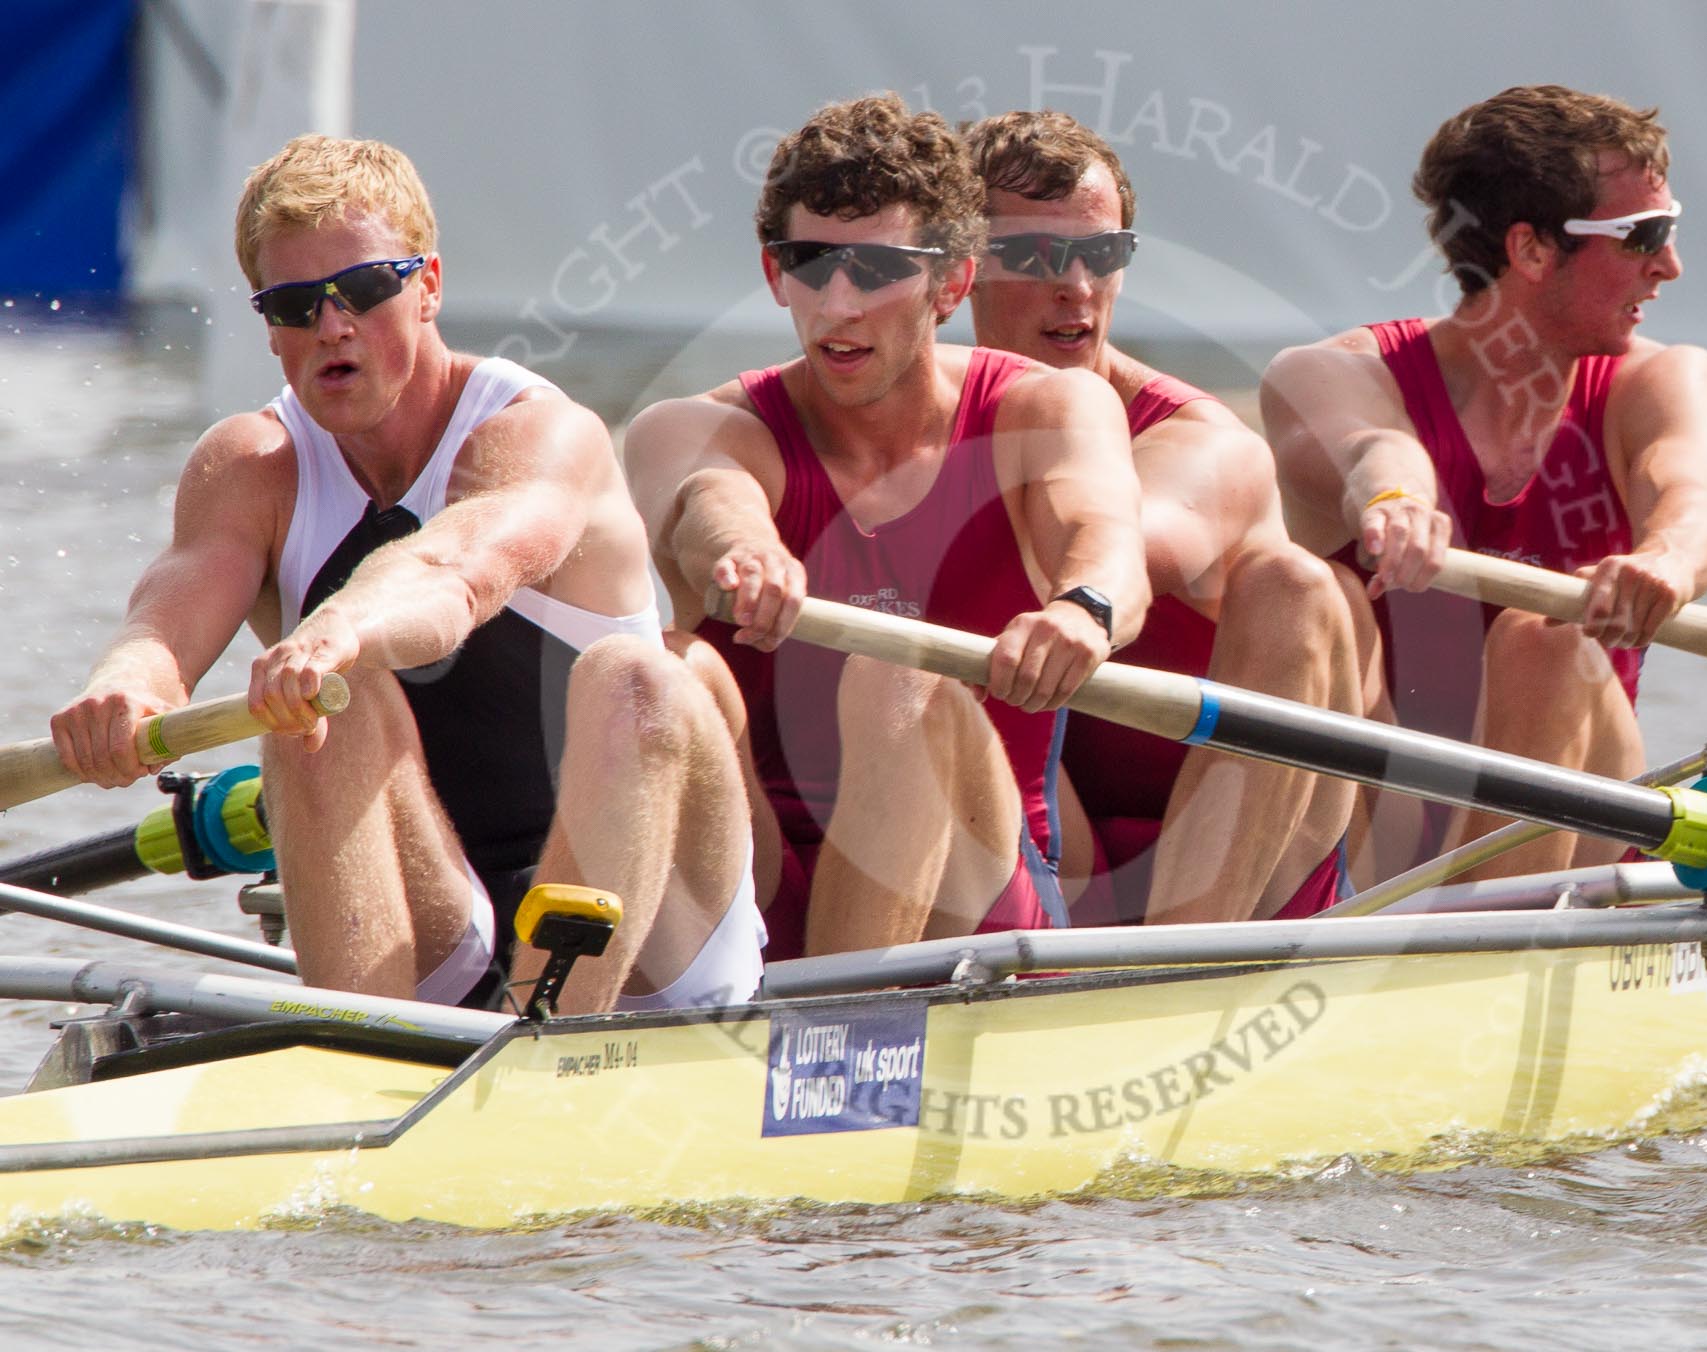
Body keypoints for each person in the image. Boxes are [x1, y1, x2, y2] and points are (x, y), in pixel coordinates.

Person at [50, 135, 764, 1013]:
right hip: (437, 907)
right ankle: (357, 1055)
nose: (333, 327)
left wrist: (337, 628)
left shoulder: (538, 433)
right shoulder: (249, 466)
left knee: (639, 679)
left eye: (364, 289)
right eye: (295, 303)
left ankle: (542, 1051)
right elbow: (165, 625)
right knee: (314, 716)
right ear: (266, 323)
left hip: (653, 928)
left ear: (427, 285)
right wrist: (124, 690)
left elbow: (454, 570)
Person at [625, 94, 1148, 960]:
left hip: (972, 887)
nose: (836, 306)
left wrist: (1082, 609)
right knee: (651, 668)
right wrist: (746, 552)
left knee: (895, 672)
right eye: (809, 264)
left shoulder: (1051, 407)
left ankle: (830, 1046)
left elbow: (1101, 531)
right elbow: (709, 503)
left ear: (952, 282)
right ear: (772, 274)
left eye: (874, 271)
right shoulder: (688, 427)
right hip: (759, 875)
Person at [1261, 85, 1707, 879]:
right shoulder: (1329, 374)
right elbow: (1375, 447)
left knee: (1546, 639)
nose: (1671, 265)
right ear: (1530, 250)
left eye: (1671, 230)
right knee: (1319, 595)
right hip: (1372, 818)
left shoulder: (1665, 384)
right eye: (1642, 235)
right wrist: (1395, 504)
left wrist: (1668, 561)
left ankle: (1488, 931)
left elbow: (1691, 492)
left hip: (1577, 826)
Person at [964, 110, 1363, 925]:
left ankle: (1172, 976)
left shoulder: (1197, 439)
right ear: (956, 270)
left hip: (1235, 868)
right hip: (1056, 845)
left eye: (1102, 254)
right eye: (1036, 255)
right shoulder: (908, 429)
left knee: (1299, 586)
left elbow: (1115, 545)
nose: (1076, 285)